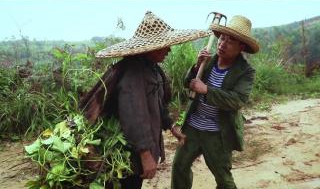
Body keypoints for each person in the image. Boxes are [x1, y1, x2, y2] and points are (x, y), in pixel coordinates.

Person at [95, 11, 208, 189]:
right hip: (129, 151)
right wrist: (145, 154)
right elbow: (134, 116)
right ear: (152, 48)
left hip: (136, 149)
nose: (169, 50)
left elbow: (157, 103)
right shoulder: (134, 71)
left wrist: (171, 125)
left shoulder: (152, 68)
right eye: (165, 46)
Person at [171, 15, 259, 189]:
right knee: (179, 167)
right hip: (193, 128)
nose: (222, 44)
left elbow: (237, 100)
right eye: (222, 38)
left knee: (223, 180)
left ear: (241, 46)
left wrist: (207, 90)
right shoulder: (209, 61)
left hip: (218, 133)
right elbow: (188, 83)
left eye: (230, 41)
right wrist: (197, 66)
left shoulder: (245, 71)